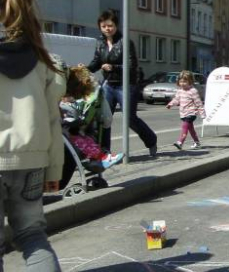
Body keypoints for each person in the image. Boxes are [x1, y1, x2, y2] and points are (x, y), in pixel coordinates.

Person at [0, 0, 86, 272]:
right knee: (33, 236)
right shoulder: (44, 61)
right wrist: (54, 171)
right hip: (31, 161)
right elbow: (54, 121)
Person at [87, 10, 158, 157]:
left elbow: (132, 66)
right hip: (108, 85)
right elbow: (96, 61)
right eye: (104, 26)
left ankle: (151, 140)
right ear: (100, 27)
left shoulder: (125, 42)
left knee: (129, 118)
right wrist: (85, 69)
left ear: (116, 26)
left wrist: (113, 67)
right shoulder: (100, 42)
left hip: (126, 85)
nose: (107, 29)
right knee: (104, 118)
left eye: (110, 25)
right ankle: (104, 151)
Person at [61, 64, 123, 170]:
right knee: (84, 140)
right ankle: (101, 158)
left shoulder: (62, 98)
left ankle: (100, 158)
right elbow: (107, 120)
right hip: (68, 133)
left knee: (84, 140)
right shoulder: (82, 101)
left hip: (69, 132)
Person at [166, 71, 205, 150]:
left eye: (185, 81)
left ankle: (180, 142)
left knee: (184, 126)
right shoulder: (180, 91)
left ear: (190, 81)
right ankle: (197, 142)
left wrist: (202, 113)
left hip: (191, 113)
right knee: (191, 129)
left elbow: (198, 103)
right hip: (183, 113)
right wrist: (171, 104)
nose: (182, 83)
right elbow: (176, 99)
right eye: (181, 81)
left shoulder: (193, 91)